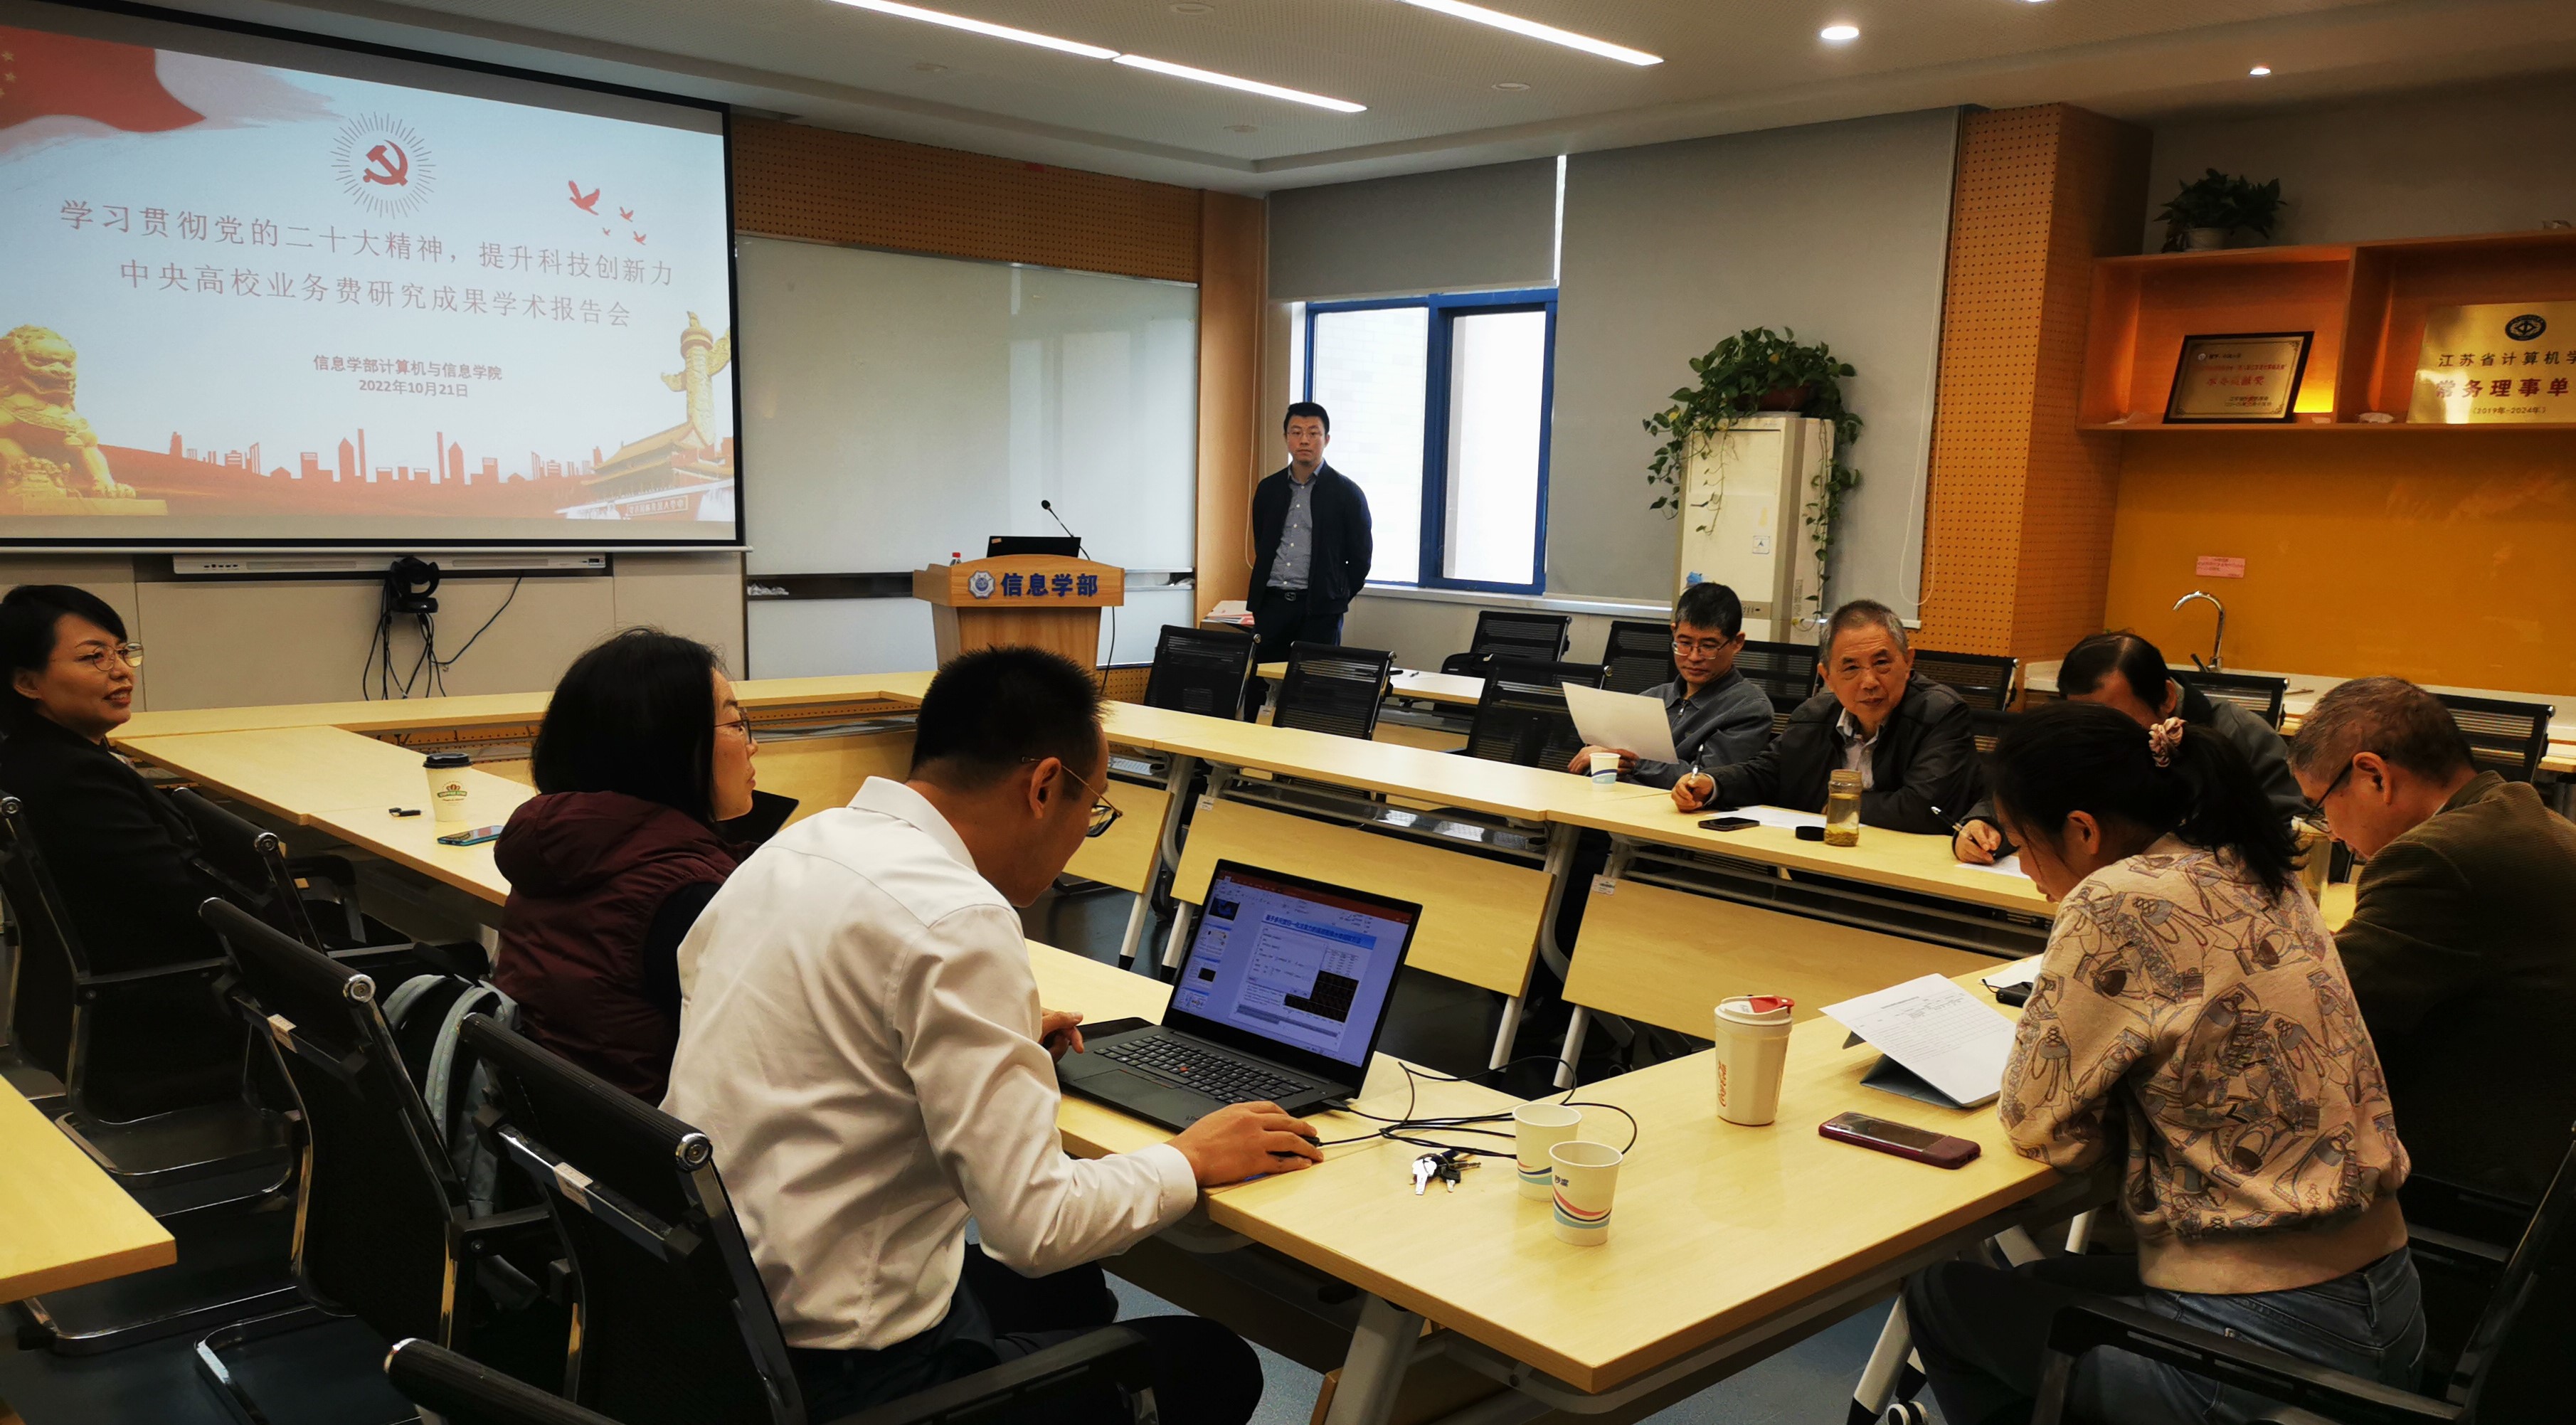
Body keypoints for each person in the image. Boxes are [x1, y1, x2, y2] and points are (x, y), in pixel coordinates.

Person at [664, 647, 1309, 1424]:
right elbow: (1036, 1227)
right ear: (1043, 786)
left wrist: (966, 1039)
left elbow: (801, 1025)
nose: (1081, 835)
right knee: (1213, 1361)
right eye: (1093, 809)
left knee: (1070, 1290)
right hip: (854, 1376)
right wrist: (1189, 1158)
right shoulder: (958, 917)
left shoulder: (797, 846)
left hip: (717, 1321)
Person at [1906, 699, 2423, 1425]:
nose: (2024, 870)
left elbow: (2039, 1127)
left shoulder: (2113, 896)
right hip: (2391, 1307)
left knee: (1943, 1294)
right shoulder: (2257, 863)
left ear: (2082, 830)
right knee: (2043, 1279)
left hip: (2265, 1345)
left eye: (2023, 845)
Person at [2291, 677, 2576, 1204]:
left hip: (2482, 1165)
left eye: (2319, 804)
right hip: (2547, 1130)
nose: (2330, 831)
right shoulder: (2521, 815)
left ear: (2374, 776)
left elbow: (2324, 1010)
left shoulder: (2436, 857)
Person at [493, 629, 788, 1103]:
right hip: (664, 1137)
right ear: (669, 747)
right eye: (736, 724)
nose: (751, 746)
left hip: (571, 1128)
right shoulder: (683, 895)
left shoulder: (566, 845)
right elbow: (769, 1057)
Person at [0, 583, 228, 973]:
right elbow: (185, 901)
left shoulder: (30, 752)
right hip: (179, 975)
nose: (122, 670)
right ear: (28, 683)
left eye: (122, 652)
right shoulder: (76, 779)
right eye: (94, 657)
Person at [1954, 630, 2305, 863]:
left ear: (2166, 698)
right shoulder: (2080, 731)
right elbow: (2027, 789)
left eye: (2115, 718)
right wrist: (1986, 825)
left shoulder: (2241, 738)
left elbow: (2285, 839)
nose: (2099, 735)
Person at [1674, 598, 1980, 833]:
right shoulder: (1814, 715)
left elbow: (1925, 807)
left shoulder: (1940, 714)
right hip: (1821, 864)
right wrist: (1712, 783)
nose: (1869, 681)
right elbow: (1768, 773)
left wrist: (1838, 806)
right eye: (1851, 667)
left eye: (1882, 663)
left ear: (1908, 661)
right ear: (1827, 677)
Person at [1565, 581, 1774, 788]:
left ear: (1737, 643)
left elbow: (1706, 780)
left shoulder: (1749, 709)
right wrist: (1599, 760)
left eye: (1709, 646)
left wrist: (1631, 761)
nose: (1694, 657)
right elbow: (1600, 761)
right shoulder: (1652, 698)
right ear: (1674, 632)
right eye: (1684, 643)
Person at [1245, 401, 1372, 711]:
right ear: (1286, 438)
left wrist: (1334, 593)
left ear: (1326, 439)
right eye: (1296, 432)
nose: (1304, 440)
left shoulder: (1347, 494)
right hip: (1272, 606)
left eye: (1313, 433)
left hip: (1320, 611)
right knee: (1260, 690)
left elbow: (1360, 560)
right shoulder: (1269, 489)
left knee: (1315, 695)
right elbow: (1263, 544)